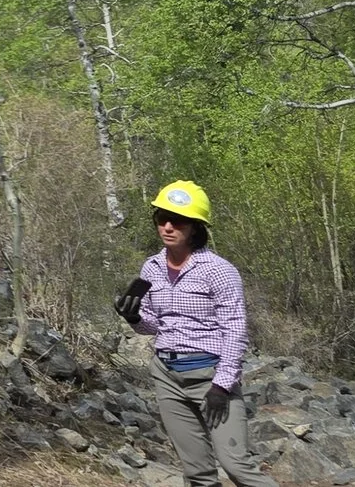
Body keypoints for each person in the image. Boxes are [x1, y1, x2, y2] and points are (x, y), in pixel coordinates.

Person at [114, 181, 279, 487]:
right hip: (167, 376)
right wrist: (134, 317)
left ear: (195, 226)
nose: (167, 226)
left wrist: (222, 385)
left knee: (236, 466)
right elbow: (155, 324)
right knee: (198, 473)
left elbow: (235, 329)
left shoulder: (219, 270)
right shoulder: (150, 268)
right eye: (161, 218)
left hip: (210, 376)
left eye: (176, 220)